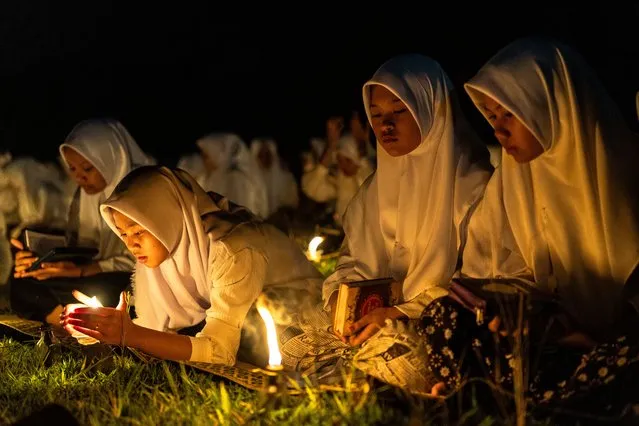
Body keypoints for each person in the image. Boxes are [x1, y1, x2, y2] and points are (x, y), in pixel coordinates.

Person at [428, 38, 639, 409]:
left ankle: (526, 398)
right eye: (491, 117)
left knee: (628, 360)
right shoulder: (513, 179)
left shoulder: (622, 172)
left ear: (551, 103)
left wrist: (589, 336)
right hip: (549, 340)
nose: (498, 131)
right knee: (442, 317)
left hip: (612, 344)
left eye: (509, 114)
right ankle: (536, 396)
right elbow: (496, 267)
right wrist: (514, 309)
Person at [61, 166, 323, 365]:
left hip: (297, 314)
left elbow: (220, 351)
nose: (130, 245)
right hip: (241, 315)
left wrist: (129, 335)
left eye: (138, 232)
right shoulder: (167, 242)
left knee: (242, 335)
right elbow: (154, 326)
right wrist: (96, 327)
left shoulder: (233, 248)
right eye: (123, 234)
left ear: (167, 219)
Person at [323, 54, 492, 347]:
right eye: (376, 114)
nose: (385, 125)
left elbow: (479, 281)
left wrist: (400, 314)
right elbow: (352, 260)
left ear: (431, 110)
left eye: (399, 110)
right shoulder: (371, 192)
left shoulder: (472, 187)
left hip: (439, 325)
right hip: (372, 324)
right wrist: (340, 296)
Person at [10, 119, 153, 325]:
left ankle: (69, 321)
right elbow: (80, 248)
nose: (80, 178)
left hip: (129, 279)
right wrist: (39, 257)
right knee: (25, 282)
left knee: (112, 291)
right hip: (89, 276)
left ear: (110, 159)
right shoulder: (84, 196)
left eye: (87, 169)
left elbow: (144, 259)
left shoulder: (143, 188)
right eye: (73, 169)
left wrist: (81, 271)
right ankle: (72, 323)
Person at [301, 133, 375, 226]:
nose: (343, 165)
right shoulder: (340, 180)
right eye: (340, 160)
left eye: (348, 160)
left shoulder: (370, 178)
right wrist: (323, 165)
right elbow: (313, 190)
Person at [196, 133, 269, 218]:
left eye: (206, 157)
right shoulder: (211, 177)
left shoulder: (237, 179)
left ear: (219, 155)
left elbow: (241, 217)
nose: (204, 161)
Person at [250, 138, 299, 217]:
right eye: (261, 154)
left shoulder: (285, 176)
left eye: (267, 154)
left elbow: (291, 203)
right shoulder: (248, 179)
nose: (265, 158)